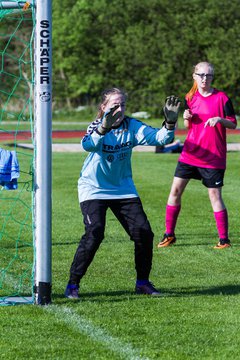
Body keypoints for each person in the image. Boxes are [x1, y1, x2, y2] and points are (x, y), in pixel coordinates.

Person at [65, 87, 180, 298]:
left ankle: (143, 283)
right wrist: (103, 130)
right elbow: (88, 145)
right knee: (95, 233)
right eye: (114, 105)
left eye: (122, 105)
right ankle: (73, 284)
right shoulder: (96, 126)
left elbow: (161, 139)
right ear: (104, 107)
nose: (119, 109)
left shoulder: (132, 126)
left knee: (144, 233)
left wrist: (170, 123)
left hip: (123, 189)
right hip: (94, 189)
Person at [158, 61, 237, 250]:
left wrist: (220, 119)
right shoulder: (190, 97)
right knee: (175, 191)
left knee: (214, 196)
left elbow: (233, 124)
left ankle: (224, 240)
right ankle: (169, 234)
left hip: (213, 156)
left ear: (212, 77)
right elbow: (189, 126)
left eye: (208, 75)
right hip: (190, 153)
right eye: (201, 75)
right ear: (194, 76)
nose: (204, 79)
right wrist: (186, 119)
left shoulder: (222, 98)